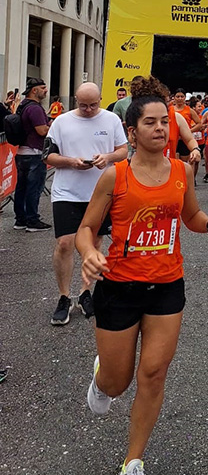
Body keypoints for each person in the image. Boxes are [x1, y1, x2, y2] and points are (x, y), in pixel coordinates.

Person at [76, 76, 208, 475]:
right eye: (151, 122)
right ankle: (103, 373)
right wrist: (88, 253)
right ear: (132, 131)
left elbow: (192, 215)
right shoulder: (114, 176)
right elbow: (88, 228)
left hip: (166, 286)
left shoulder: (181, 171)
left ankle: (133, 463)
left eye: (166, 121)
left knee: (154, 373)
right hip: (119, 288)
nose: (161, 129)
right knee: (117, 382)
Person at [43, 82, 128, 325]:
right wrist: (71, 161)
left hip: (100, 192)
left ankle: (85, 292)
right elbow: (47, 155)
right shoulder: (61, 121)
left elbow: (123, 150)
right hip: (67, 191)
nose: (89, 110)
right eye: (83, 105)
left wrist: (108, 157)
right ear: (75, 101)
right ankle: (63, 296)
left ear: (101, 99)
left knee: (95, 243)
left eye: (93, 105)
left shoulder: (111, 119)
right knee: (65, 243)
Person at [12, 77, 51, 231]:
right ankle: (32, 220)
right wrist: (52, 125)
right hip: (34, 152)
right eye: (43, 87)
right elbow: (41, 130)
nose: (46, 90)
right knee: (34, 188)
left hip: (23, 152)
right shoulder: (34, 108)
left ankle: (20, 219)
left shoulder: (23, 105)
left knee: (21, 187)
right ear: (34, 90)